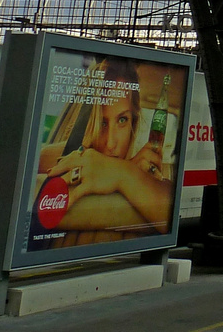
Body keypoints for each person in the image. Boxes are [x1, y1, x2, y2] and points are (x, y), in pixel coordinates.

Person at [39, 57, 173, 235]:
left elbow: (172, 213)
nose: (110, 144)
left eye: (122, 120)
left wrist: (125, 173)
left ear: (134, 122)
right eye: (102, 123)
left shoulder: (145, 172)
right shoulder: (56, 158)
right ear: (87, 122)